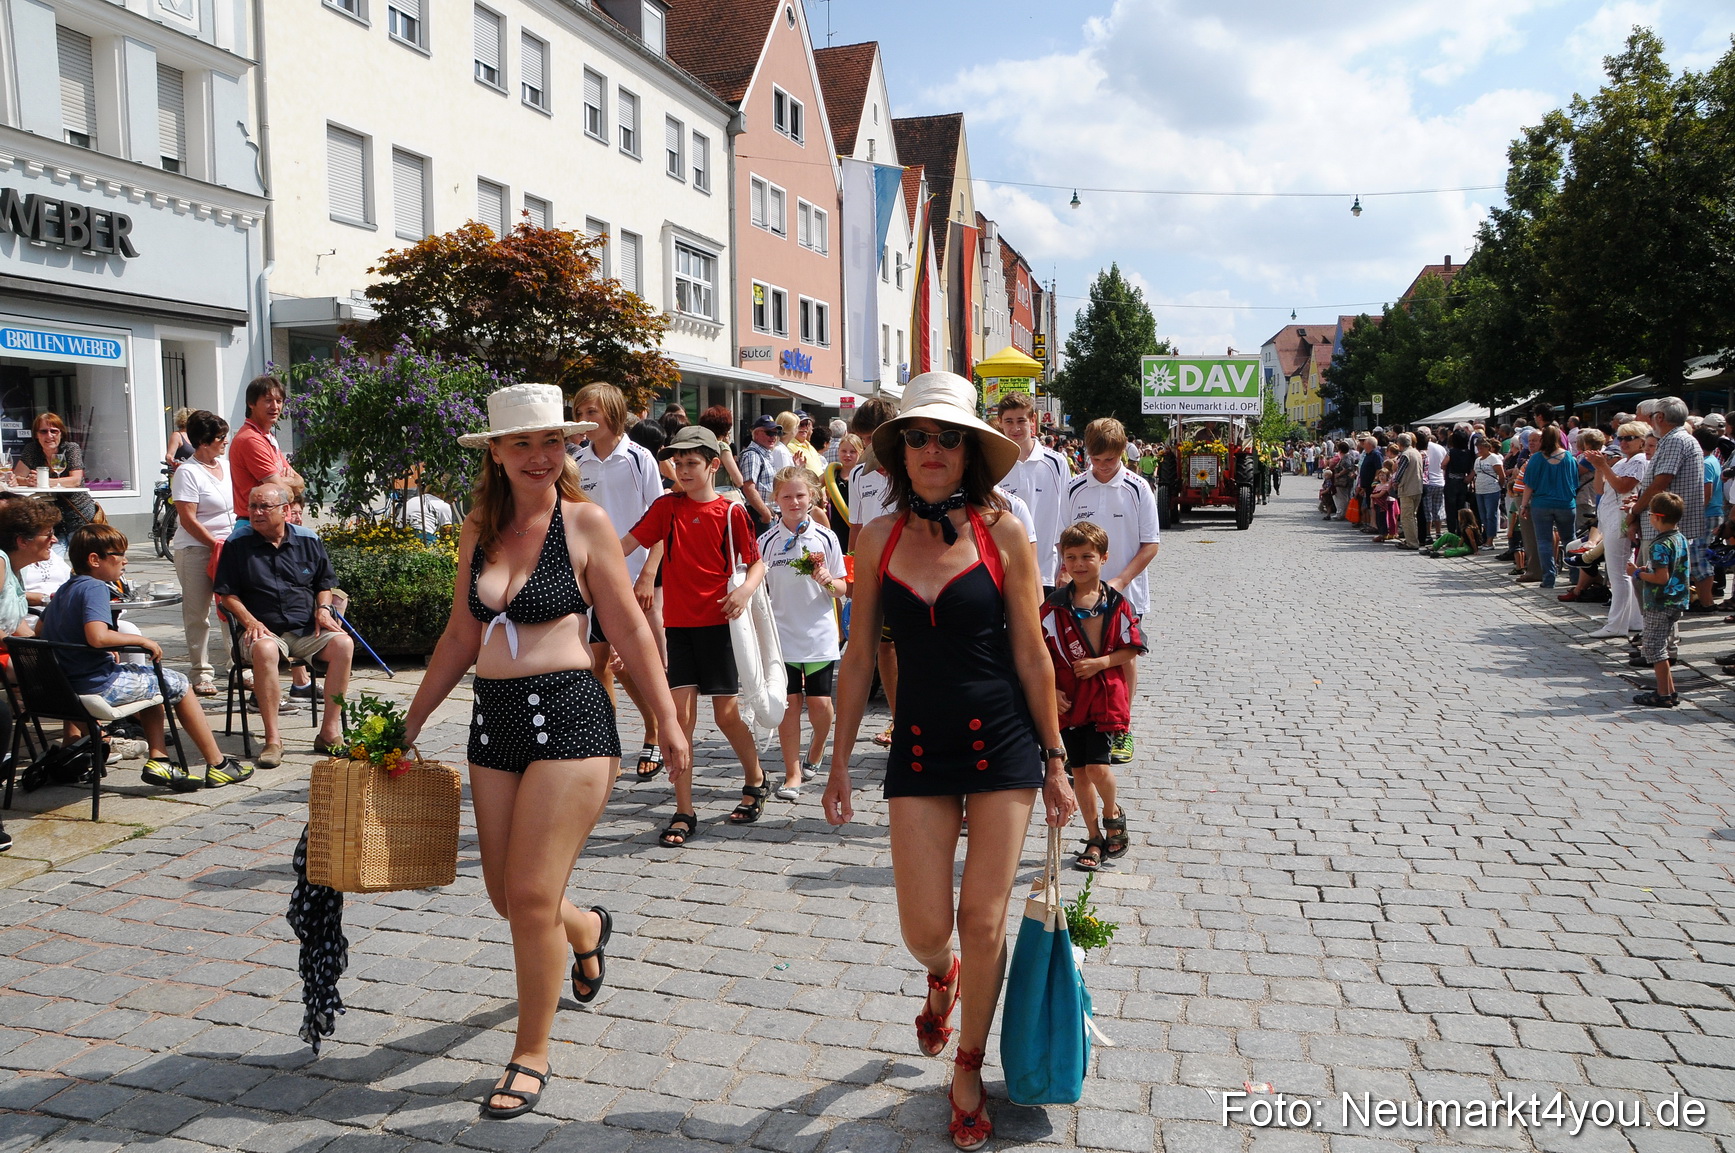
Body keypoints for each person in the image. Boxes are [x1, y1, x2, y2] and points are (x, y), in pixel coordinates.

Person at [403, 383, 686, 1121]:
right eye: (520, 443)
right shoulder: (478, 531)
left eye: (549, 442)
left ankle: (530, 1052)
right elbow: (460, 636)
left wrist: (670, 724)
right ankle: (586, 926)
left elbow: (626, 630)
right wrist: (407, 723)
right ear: (495, 453)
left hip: (572, 718)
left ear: (565, 448)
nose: (538, 456)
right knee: (507, 896)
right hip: (493, 724)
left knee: (528, 896)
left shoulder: (585, 523)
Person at [822, 371, 1075, 1152]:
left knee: (983, 917)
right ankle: (942, 974)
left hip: (1002, 741)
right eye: (920, 437)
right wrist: (834, 760)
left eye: (949, 437)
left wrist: (1057, 759)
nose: (933, 449)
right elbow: (860, 653)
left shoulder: (1003, 532)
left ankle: (966, 1063)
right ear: (902, 451)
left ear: (969, 451)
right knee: (925, 927)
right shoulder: (877, 535)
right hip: (920, 742)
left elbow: (1032, 656)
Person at [626, 425, 768, 848]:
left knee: (726, 716)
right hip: (679, 626)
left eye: (692, 463)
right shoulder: (666, 507)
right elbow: (627, 543)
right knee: (680, 720)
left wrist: (743, 590)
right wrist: (583, 563)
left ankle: (755, 776)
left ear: (711, 465)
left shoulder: (730, 511)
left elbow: (756, 563)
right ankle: (684, 809)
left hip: (721, 625)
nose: (683, 471)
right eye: (678, 463)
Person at [40, 524, 252, 791]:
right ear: (95, 560)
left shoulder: (64, 590)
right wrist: (140, 639)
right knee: (180, 684)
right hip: (97, 685)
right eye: (118, 554)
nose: (125, 560)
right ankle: (218, 764)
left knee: (152, 681)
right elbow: (97, 636)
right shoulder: (95, 587)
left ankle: (160, 759)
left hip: (66, 686)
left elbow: (40, 630)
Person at [213, 482, 355, 767]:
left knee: (343, 643)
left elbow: (324, 584)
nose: (256, 512)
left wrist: (324, 609)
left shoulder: (308, 540)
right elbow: (227, 594)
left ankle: (329, 732)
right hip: (261, 630)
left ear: (285, 510)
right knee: (265, 649)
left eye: (264, 506)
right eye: (252, 506)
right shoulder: (237, 544)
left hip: (304, 629)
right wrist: (250, 621)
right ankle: (272, 740)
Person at [572, 383, 666, 782]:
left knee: (638, 666)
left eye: (590, 410)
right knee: (598, 662)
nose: (582, 419)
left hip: (635, 578)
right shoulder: (576, 461)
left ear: (610, 412)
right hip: (591, 579)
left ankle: (655, 730)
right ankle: (605, 742)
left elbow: (662, 519)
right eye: (578, 411)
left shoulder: (639, 458)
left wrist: (648, 574)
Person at [1042, 521, 1143, 871]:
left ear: (1104, 558)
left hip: (1102, 698)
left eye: (1087, 556)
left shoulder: (1117, 604)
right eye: (1071, 557)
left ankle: (1113, 813)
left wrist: (1102, 662)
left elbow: (1131, 648)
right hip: (1069, 701)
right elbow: (1039, 656)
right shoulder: (1053, 607)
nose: (1079, 564)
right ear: (1062, 560)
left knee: (1099, 768)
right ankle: (1093, 836)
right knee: (1080, 772)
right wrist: (1051, 690)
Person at [1063, 417, 1159, 766]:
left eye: (1110, 460)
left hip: (1126, 592)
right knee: (1084, 655)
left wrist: (1119, 582)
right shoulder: (1074, 488)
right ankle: (1089, 718)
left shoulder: (1138, 488)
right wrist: (1065, 575)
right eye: (1096, 459)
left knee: (1124, 657)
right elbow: (1065, 539)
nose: (1102, 467)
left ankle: (1123, 727)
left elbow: (1151, 544)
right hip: (1082, 591)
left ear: (1122, 454)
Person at [759, 467, 847, 801]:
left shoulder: (826, 537)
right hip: (782, 636)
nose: (794, 502)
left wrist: (827, 578)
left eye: (800, 495)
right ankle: (792, 772)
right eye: (786, 496)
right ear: (776, 500)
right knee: (790, 705)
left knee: (820, 703)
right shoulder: (766, 541)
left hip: (819, 633)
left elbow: (843, 587)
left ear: (811, 496)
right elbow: (759, 588)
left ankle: (818, 745)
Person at [169, 411, 234, 697]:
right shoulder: (187, 472)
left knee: (233, 608)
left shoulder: (228, 466)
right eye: (221, 437)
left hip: (229, 547)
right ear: (203, 442)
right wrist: (214, 544)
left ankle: (239, 665)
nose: (226, 442)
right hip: (196, 548)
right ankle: (201, 671)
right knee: (198, 612)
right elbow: (188, 519)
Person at [997, 393, 1071, 589]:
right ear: (1000, 422)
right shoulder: (993, 464)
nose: (1015, 428)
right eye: (1009, 421)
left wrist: (1065, 569)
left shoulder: (1056, 463)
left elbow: (1067, 519)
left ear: (1032, 420)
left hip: (1048, 572)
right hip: (1005, 573)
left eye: (1021, 420)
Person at [1587, 421, 1649, 636]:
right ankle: (1633, 619)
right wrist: (1599, 467)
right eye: (1621, 438)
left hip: (1622, 519)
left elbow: (1623, 486)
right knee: (1622, 571)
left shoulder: (1640, 461)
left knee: (1618, 573)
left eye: (1629, 438)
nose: (1623, 442)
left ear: (1642, 441)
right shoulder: (1623, 462)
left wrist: (1603, 466)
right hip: (1612, 519)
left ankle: (1616, 624)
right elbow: (1600, 488)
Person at [1629, 491, 1690, 708]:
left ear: (1656, 517)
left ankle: (1662, 694)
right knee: (1661, 646)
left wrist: (1638, 573)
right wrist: (1649, 569)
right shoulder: (1679, 538)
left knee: (1655, 649)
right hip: (1677, 600)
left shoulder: (1659, 545)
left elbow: (1661, 578)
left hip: (1660, 602)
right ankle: (1670, 691)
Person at [228, 375, 303, 530]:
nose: (275, 406)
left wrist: (284, 483)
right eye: (268, 400)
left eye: (279, 401)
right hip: (256, 527)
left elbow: (301, 483)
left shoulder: (267, 437)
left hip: (273, 526)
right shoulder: (251, 440)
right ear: (251, 404)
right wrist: (285, 483)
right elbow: (283, 494)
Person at [14, 412, 99, 536]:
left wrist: (45, 482)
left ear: (61, 433)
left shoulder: (70, 449)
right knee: (51, 555)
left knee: (80, 554)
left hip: (78, 515)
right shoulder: (32, 450)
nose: (49, 436)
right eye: (43, 431)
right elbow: (17, 478)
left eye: (54, 431)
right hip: (50, 519)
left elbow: (75, 480)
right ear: (36, 435)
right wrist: (28, 481)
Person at [1519, 426, 1579, 590]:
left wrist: (1524, 505)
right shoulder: (1568, 457)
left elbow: (1529, 485)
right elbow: (1575, 482)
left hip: (1542, 504)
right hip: (1566, 504)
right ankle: (1575, 576)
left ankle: (1548, 578)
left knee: (1544, 541)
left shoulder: (1537, 459)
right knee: (1570, 540)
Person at [737, 415, 782, 534]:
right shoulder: (753, 455)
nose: (774, 437)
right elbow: (748, 488)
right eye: (769, 433)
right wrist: (765, 514)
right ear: (756, 434)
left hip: (768, 513)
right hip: (759, 515)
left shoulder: (764, 454)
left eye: (776, 433)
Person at [1471, 436, 1507, 543]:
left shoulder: (1494, 458)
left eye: (1482, 448)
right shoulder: (1477, 460)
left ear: (1488, 447)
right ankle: (1486, 536)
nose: (1479, 450)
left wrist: (1499, 487)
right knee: (1483, 516)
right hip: (1480, 490)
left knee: (1491, 515)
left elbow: (1501, 475)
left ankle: (1490, 539)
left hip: (1491, 490)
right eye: (1478, 448)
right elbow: (1475, 473)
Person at [1393, 433, 1424, 549]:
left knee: (1406, 517)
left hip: (1407, 489)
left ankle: (1412, 543)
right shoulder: (1417, 452)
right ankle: (1412, 539)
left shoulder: (1406, 455)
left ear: (1399, 444)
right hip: (1417, 488)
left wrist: (1396, 481)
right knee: (1412, 516)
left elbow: (1401, 471)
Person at [789, 410, 825, 476]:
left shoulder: (810, 446)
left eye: (806, 424)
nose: (804, 428)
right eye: (801, 424)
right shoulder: (789, 446)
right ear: (793, 426)